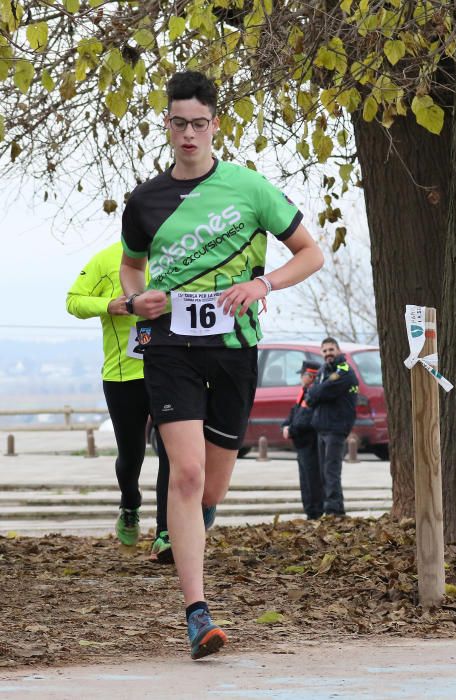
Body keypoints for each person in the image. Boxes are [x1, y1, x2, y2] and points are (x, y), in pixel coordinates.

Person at [119, 70, 324, 660]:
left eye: (199, 124)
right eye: (178, 123)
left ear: (215, 125)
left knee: (211, 485)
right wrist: (137, 301)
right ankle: (196, 612)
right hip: (169, 347)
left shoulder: (249, 188)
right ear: (167, 124)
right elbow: (134, 267)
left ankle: (187, 528)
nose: (189, 134)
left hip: (234, 349)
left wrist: (263, 283)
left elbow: (309, 254)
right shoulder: (145, 200)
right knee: (183, 474)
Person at [66, 241, 174, 563]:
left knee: (172, 452)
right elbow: (73, 301)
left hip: (172, 371)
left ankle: (166, 532)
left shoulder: (182, 250)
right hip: (123, 375)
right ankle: (130, 503)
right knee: (131, 455)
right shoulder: (106, 259)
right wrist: (110, 305)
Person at [306, 337, 359, 516]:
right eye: (325, 350)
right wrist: (317, 392)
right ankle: (336, 510)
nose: (328, 353)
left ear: (338, 350)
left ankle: (333, 512)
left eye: (331, 349)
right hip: (322, 427)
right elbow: (311, 395)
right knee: (324, 473)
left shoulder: (344, 370)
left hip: (336, 428)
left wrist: (317, 392)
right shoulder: (322, 370)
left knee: (331, 472)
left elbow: (321, 391)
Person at [282, 360, 323, 520]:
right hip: (301, 444)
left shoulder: (313, 394)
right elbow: (294, 413)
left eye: (303, 374)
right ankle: (309, 511)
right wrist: (285, 425)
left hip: (309, 443)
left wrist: (291, 429)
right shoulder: (304, 392)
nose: (300, 377)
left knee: (312, 480)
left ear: (311, 376)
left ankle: (314, 513)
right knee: (305, 480)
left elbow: (305, 420)